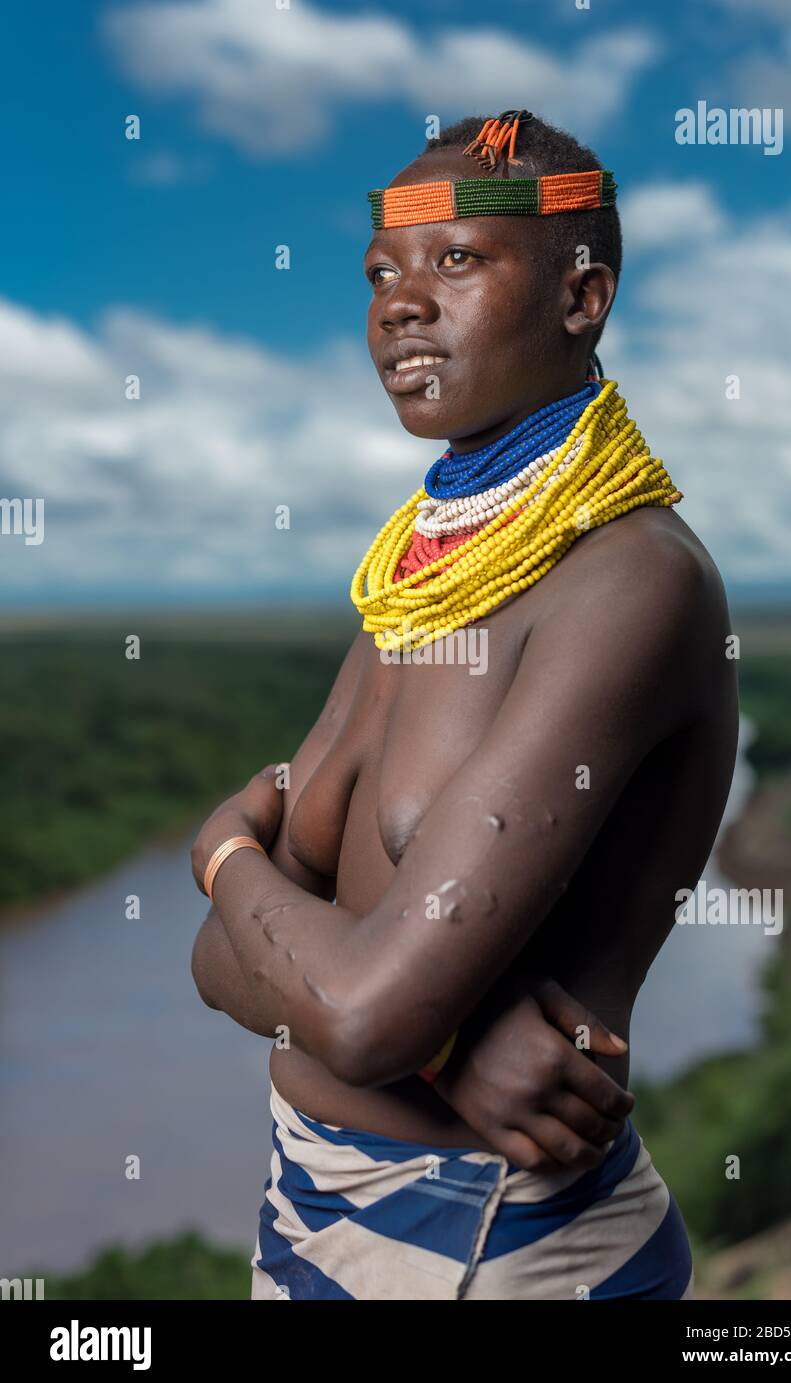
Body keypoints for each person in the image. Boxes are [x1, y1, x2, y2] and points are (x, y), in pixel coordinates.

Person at [190, 112, 738, 1300]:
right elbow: (224, 969)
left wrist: (221, 851)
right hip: (311, 1206)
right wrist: (443, 1045)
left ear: (580, 296)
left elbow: (344, 1001)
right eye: (383, 271)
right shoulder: (421, 580)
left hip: (495, 1245)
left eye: (456, 261)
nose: (399, 303)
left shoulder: (629, 582)